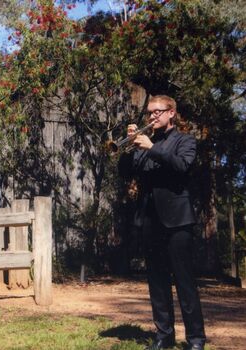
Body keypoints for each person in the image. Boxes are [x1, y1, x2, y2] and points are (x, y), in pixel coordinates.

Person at [119, 95, 206, 350]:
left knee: (184, 282)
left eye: (157, 112)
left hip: (178, 221)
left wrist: (151, 148)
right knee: (157, 282)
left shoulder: (185, 140)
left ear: (171, 113)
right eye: (149, 112)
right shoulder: (144, 144)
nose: (152, 117)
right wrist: (129, 147)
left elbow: (182, 166)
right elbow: (125, 173)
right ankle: (164, 336)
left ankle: (196, 340)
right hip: (150, 220)